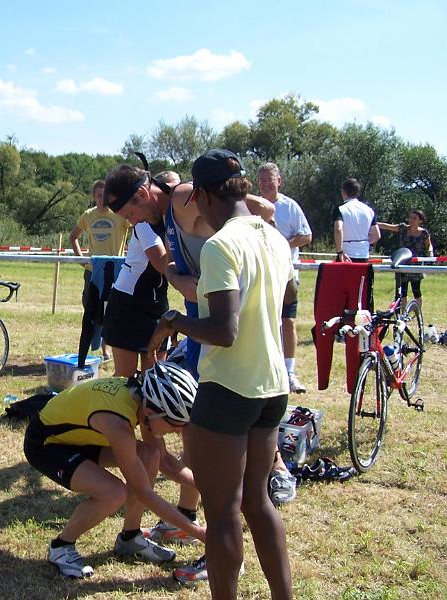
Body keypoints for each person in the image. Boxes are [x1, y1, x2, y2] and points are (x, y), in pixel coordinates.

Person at [147, 149, 295, 600]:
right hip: (272, 388)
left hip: (229, 388)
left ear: (207, 195)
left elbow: (223, 330)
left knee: (223, 511)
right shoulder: (273, 238)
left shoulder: (220, 246)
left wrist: (174, 321)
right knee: (258, 502)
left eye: (198, 203)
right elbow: (286, 300)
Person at [23, 362, 205, 578]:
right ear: (152, 411)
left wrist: (212, 490)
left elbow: (164, 461)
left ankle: (130, 538)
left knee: (150, 455)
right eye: (175, 423)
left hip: (81, 436)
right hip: (46, 443)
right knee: (113, 493)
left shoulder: (144, 402)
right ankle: (61, 546)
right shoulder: (118, 422)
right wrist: (201, 534)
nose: (177, 431)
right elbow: (144, 492)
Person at [256, 163, 311, 395]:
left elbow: (306, 235)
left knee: (287, 322)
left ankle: (289, 372)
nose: (267, 184)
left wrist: (282, 244)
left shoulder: (290, 207)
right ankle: (262, 369)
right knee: (260, 321)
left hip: (287, 274)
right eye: (262, 181)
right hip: (259, 274)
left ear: (279, 181)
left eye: (271, 180)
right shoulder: (252, 206)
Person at [102, 208, 169, 377]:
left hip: (157, 305)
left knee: (155, 378)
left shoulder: (179, 224)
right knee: (125, 378)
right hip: (128, 305)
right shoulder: (143, 223)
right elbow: (162, 264)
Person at [70, 180, 130, 359]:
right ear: (93, 197)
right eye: (98, 195)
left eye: (105, 195)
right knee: (90, 308)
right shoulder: (88, 215)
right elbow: (73, 237)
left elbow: (138, 229)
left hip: (115, 271)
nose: (102, 199)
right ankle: (89, 344)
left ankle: (107, 347)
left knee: (111, 311)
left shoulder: (120, 215)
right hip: (92, 271)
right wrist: (80, 259)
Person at [377, 209, 433, 308]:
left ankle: (417, 313)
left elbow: (429, 245)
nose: (411, 220)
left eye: (414, 218)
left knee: (417, 291)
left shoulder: (424, 233)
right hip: (402, 263)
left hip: (416, 266)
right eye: (410, 217)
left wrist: (430, 254)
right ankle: (402, 313)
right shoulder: (403, 228)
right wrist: (373, 223)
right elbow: (387, 226)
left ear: (420, 221)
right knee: (402, 292)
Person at [334, 178, 380, 262]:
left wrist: (340, 252)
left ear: (343, 192)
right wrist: (363, 244)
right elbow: (376, 235)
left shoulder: (341, 209)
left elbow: (338, 229)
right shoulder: (369, 210)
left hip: (346, 254)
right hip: (363, 254)